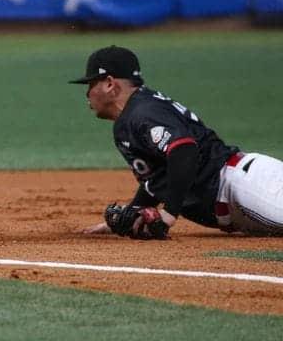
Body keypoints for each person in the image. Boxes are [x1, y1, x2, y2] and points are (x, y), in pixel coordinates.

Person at [69, 45, 283, 239]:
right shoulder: (132, 117)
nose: (87, 93)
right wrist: (133, 212)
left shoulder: (143, 112)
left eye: (90, 83)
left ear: (109, 84)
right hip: (238, 193)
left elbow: (184, 150)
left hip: (245, 184)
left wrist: (169, 214)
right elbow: (158, 178)